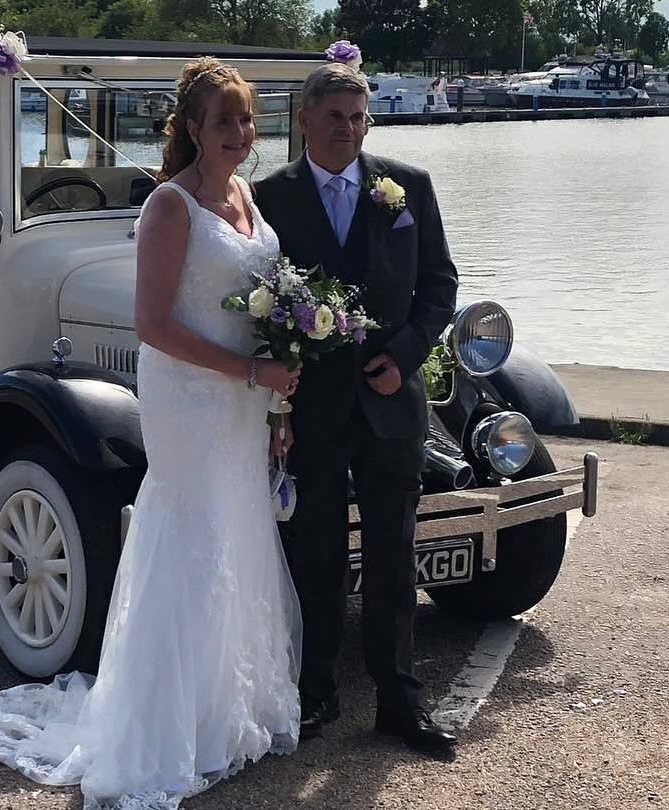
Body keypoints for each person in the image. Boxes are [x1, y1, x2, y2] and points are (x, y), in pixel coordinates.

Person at [0, 58, 303, 809]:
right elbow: (154, 326)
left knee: (237, 534)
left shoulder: (247, 196)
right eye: (223, 120)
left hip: (240, 402)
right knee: (192, 542)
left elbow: (259, 307)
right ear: (192, 128)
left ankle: (227, 711)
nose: (239, 133)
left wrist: (273, 402)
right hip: (190, 400)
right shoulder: (170, 206)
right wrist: (250, 373)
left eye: (246, 119)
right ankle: (169, 726)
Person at [254, 62, 460, 753]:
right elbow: (257, 298)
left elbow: (439, 285)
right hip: (312, 407)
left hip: (391, 407)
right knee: (314, 555)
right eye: (334, 117)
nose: (347, 129)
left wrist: (403, 357)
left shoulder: (408, 189)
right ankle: (315, 693)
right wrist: (276, 400)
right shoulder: (267, 198)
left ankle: (399, 701)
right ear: (305, 119)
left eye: (358, 117)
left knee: (394, 557)